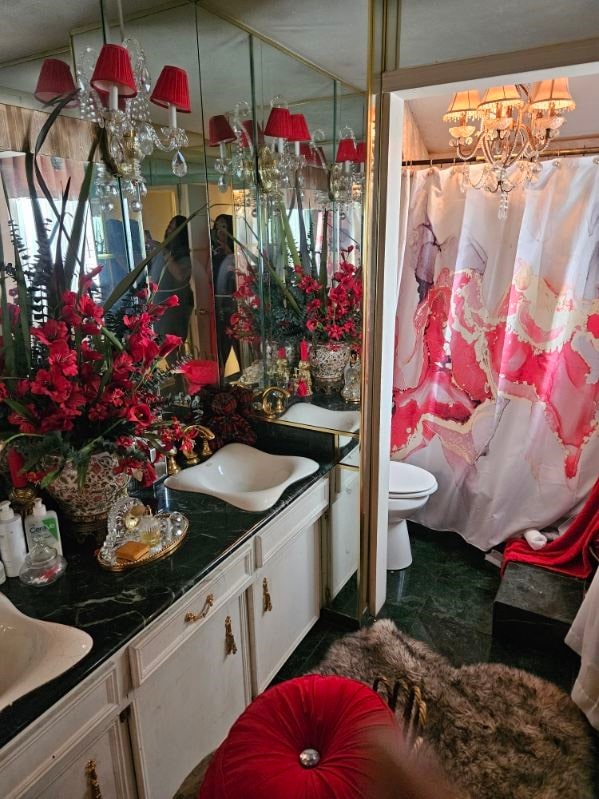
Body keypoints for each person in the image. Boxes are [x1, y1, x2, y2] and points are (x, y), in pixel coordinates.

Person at [150, 215, 193, 343]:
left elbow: (180, 276)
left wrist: (163, 251)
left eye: (175, 228)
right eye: (169, 226)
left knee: (170, 343)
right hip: (159, 304)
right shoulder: (165, 251)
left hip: (175, 306)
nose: (170, 230)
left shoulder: (184, 254)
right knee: (160, 343)